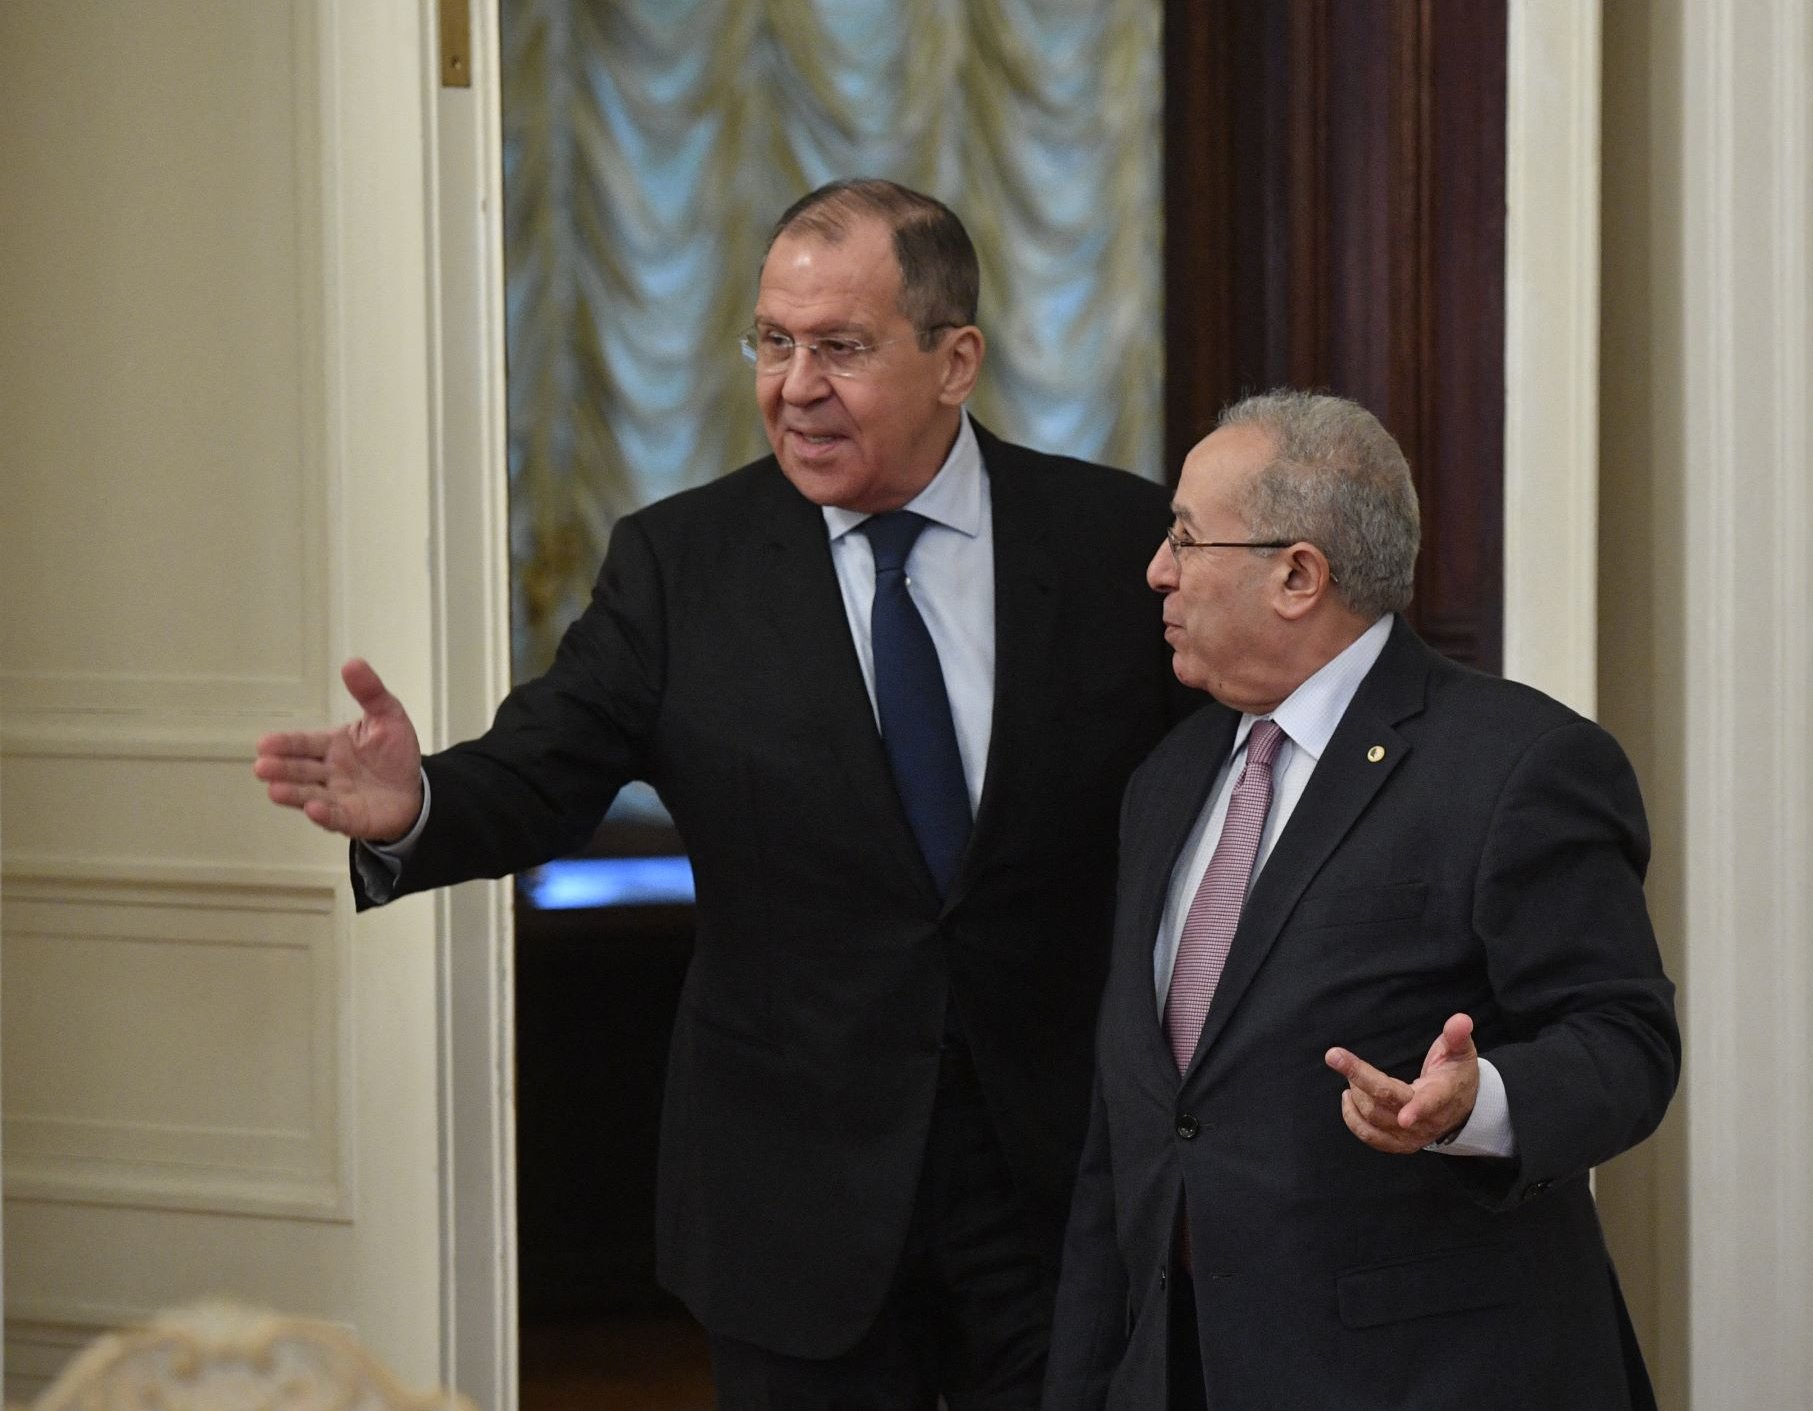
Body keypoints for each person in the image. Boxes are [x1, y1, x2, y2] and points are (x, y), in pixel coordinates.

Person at [253, 178, 1195, 1411]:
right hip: (794, 1193)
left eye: (840, 347)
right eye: (773, 342)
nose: (795, 387)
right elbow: (546, 766)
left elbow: (1222, 801)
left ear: (955, 359)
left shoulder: (1117, 540)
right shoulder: (679, 564)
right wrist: (420, 802)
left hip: (1056, 1178)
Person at [1041, 391, 1681, 1411]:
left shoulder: (1516, 765)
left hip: (1426, 1377)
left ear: (1298, 574)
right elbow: (1127, 1136)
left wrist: (1478, 1104)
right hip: (1180, 1368)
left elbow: (1625, 1041)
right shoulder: (1168, 778)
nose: (1158, 569)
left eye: (1187, 538)